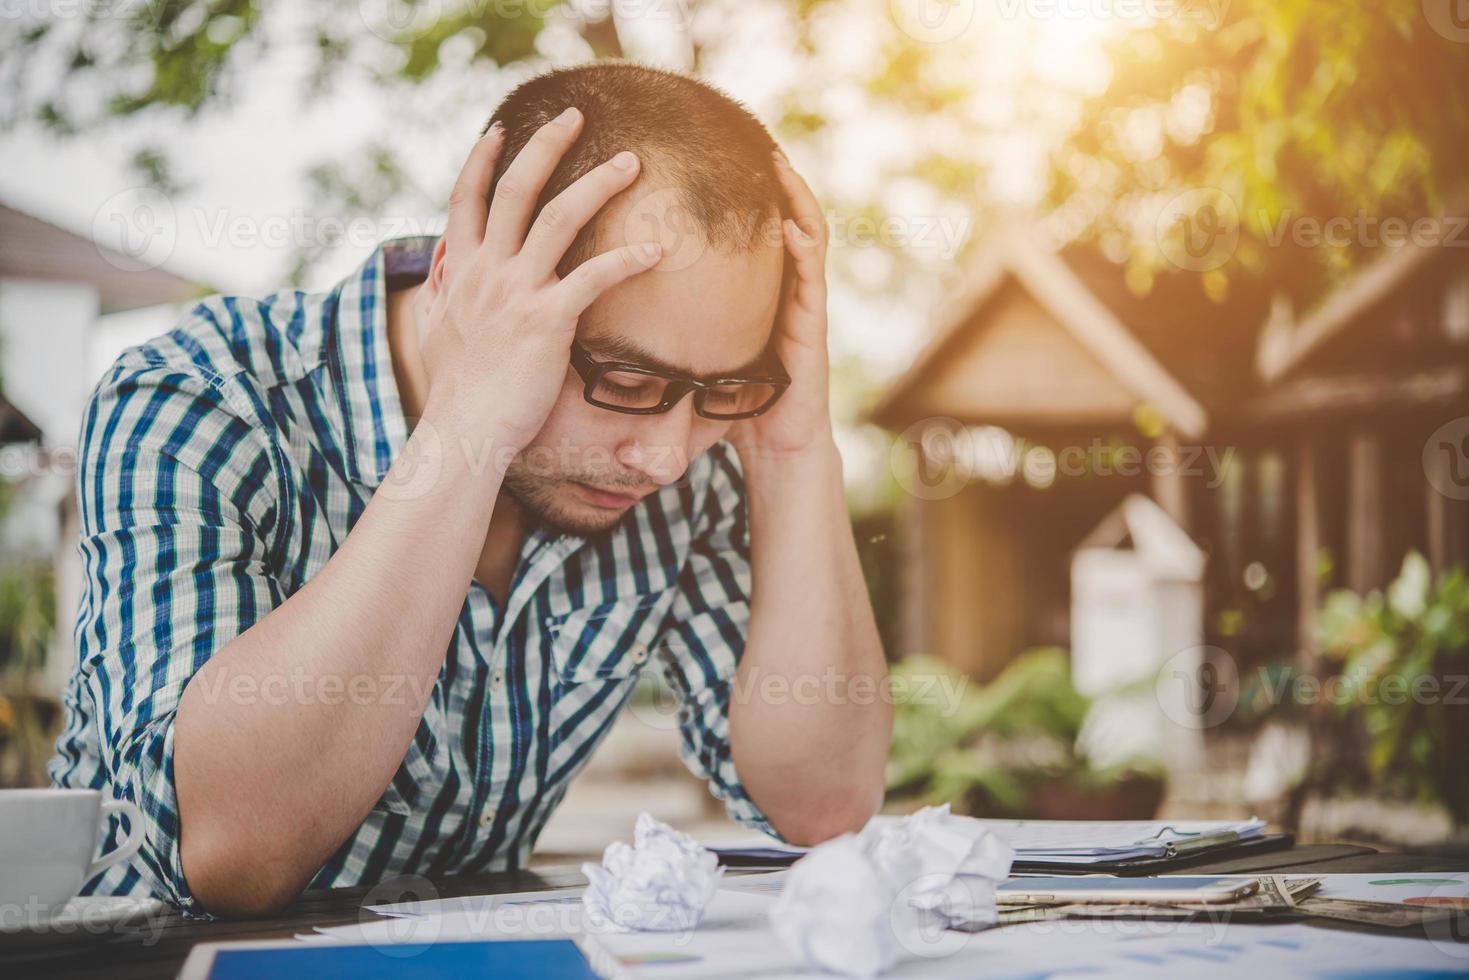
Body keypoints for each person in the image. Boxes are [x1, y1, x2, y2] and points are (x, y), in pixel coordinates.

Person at [50, 62, 890, 916]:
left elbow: (819, 806)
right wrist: (470, 427)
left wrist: (792, 451)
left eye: (721, 392)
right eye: (628, 384)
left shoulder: (681, 460)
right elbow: (226, 852)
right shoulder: (198, 401)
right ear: (463, 279)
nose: (666, 458)